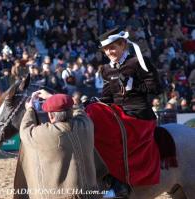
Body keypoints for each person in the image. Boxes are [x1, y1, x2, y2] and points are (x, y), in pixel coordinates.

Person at [86, 27, 162, 198]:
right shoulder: (105, 69)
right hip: (119, 112)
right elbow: (107, 98)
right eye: (106, 49)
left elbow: (156, 88)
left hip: (139, 113)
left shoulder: (138, 62)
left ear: (123, 45)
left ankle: (120, 183)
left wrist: (133, 85)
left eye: (112, 47)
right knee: (91, 111)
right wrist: (94, 101)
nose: (109, 52)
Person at [14, 90, 98, 199]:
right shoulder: (85, 123)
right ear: (70, 111)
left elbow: (25, 130)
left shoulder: (47, 133)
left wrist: (30, 109)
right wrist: (53, 97)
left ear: (51, 115)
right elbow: (79, 111)